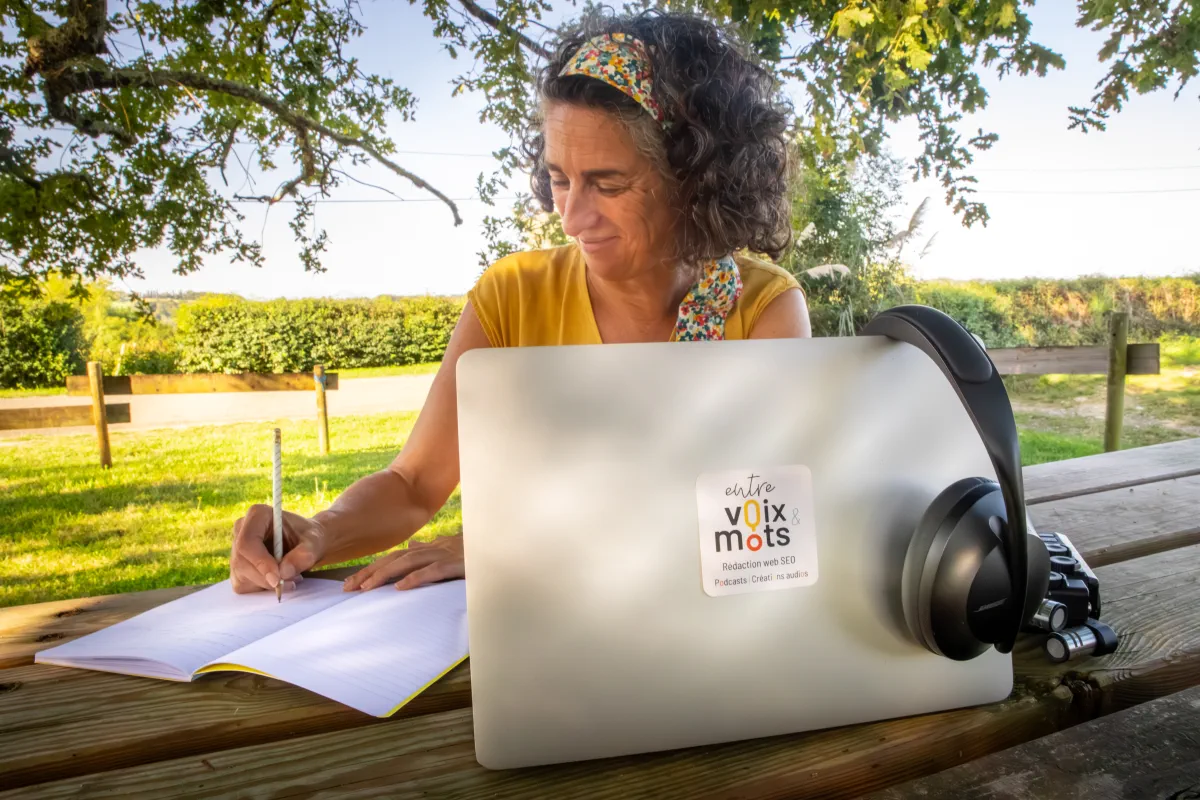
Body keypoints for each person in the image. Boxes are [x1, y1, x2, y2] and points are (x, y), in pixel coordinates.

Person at [228, 10, 812, 595]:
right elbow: (414, 483)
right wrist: (320, 532)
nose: (572, 218)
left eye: (608, 185)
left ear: (695, 181)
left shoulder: (762, 310)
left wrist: (515, 547)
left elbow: (764, 531)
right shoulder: (511, 297)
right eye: (560, 179)